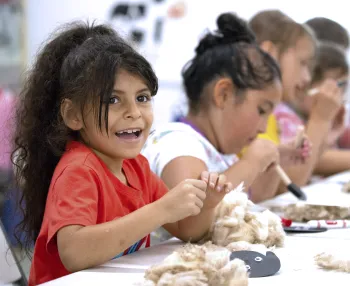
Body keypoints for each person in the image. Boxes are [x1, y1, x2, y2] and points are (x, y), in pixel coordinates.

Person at [12, 22, 230, 286]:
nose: (134, 113)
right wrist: (161, 210)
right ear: (73, 115)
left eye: (142, 97)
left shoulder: (137, 167)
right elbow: (74, 252)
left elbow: (187, 231)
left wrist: (206, 205)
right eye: (112, 100)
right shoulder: (78, 169)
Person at [143, 13, 311, 215]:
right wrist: (251, 162)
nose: (263, 127)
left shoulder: (225, 156)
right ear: (223, 94)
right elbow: (193, 216)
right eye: (261, 110)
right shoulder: (177, 142)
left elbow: (255, 200)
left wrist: (270, 162)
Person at [248, 10, 343, 187]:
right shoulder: (252, 114)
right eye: (302, 63)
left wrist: (326, 133)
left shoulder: (271, 116)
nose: (307, 78)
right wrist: (320, 119)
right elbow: (291, 183)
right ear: (269, 53)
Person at [295, 42, 350, 176]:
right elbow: (313, 161)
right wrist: (321, 119)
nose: (339, 94)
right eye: (338, 85)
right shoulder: (286, 119)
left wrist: (332, 133)